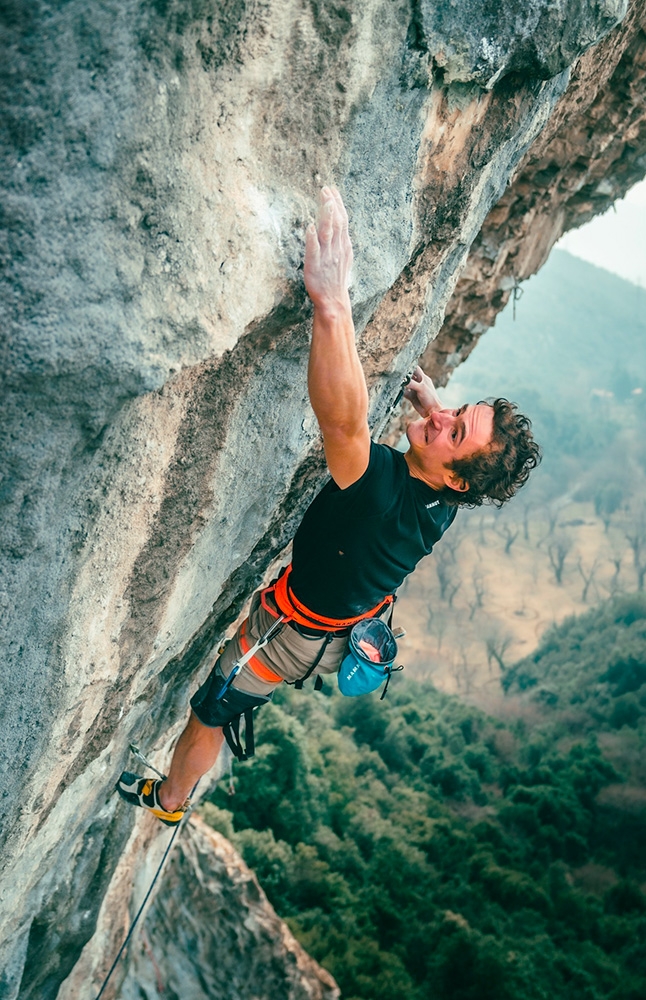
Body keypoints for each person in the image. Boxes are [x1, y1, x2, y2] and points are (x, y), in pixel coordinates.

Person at [117, 187, 541, 825]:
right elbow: (439, 456)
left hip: (293, 636)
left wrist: (332, 302)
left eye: (455, 432)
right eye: (459, 411)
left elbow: (343, 426)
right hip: (355, 625)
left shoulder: (378, 493)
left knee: (213, 708)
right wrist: (433, 414)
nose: (443, 418)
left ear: (458, 479)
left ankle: (171, 801)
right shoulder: (449, 500)